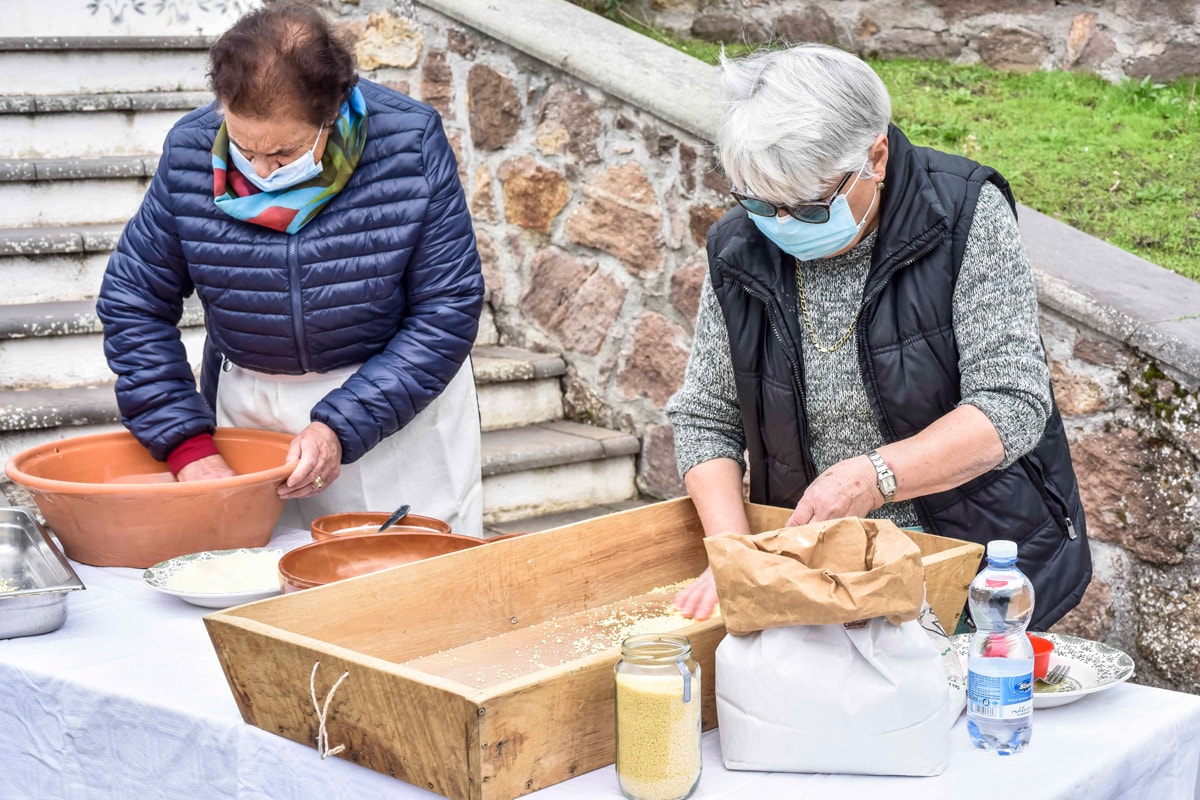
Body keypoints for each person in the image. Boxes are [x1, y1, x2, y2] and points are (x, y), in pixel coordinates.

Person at [666, 44, 1091, 631]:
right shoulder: (741, 246)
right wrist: (735, 555)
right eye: (763, 205)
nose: (784, 227)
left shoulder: (961, 215)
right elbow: (705, 417)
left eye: (811, 208)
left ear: (877, 156)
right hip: (816, 570)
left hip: (965, 556)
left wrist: (874, 476)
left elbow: (1011, 405)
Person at [96, 1, 485, 535]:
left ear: (332, 112)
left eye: (282, 155)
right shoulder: (190, 150)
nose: (258, 170)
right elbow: (132, 300)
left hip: (394, 403)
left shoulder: (408, 143)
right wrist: (184, 443)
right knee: (262, 582)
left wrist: (341, 426)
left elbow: (448, 308)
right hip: (250, 406)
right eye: (242, 147)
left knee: (401, 580)